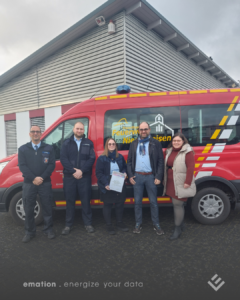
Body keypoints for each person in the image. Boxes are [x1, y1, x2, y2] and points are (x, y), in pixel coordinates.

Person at [18, 125, 55, 243]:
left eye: (37, 132)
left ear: (41, 134)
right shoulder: (23, 149)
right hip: (29, 184)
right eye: (33, 132)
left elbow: (51, 165)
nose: (35, 133)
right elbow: (22, 166)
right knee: (28, 208)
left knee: (47, 207)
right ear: (29, 134)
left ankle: (48, 229)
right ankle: (29, 232)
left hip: (45, 183)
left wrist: (41, 178)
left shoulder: (49, 148)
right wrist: (34, 178)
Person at [127, 122, 164, 235]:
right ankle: (138, 224)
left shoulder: (155, 143)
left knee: (153, 202)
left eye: (145, 129)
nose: (143, 131)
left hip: (150, 177)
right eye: (141, 129)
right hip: (137, 177)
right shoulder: (133, 144)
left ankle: (156, 224)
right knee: (137, 202)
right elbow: (129, 162)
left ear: (149, 129)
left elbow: (160, 161)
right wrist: (130, 175)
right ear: (138, 130)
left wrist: (158, 176)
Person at [60, 121, 95, 235]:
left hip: (84, 177)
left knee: (86, 201)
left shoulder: (89, 143)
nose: (79, 131)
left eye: (81, 129)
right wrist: (74, 171)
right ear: (73, 129)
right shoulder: (66, 143)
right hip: (70, 177)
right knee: (70, 201)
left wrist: (82, 171)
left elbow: (91, 158)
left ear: (84, 130)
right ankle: (68, 225)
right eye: (77, 128)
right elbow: (63, 159)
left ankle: (88, 224)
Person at [163, 132, 196, 240]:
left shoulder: (187, 151)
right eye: (174, 141)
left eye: (178, 141)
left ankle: (177, 229)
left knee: (177, 204)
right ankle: (181, 225)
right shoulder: (169, 151)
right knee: (177, 203)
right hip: (171, 181)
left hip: (181, 181)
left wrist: (188, 181)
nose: (176, 142)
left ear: (183, 141)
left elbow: (191, 167)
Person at [96, 138, 128, 235]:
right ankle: (109, 225)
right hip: (107, 182)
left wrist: (125, 173)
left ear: (116, 145)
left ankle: (119, 223)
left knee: (119, 204)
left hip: (119, 181)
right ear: (106, 145)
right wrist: (106, 183)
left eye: (113, 144)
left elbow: (124, 168)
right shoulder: (101, 158)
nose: (111, 145)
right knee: (108, 204)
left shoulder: (120, 157)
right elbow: (99, 173)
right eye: (109, 144)